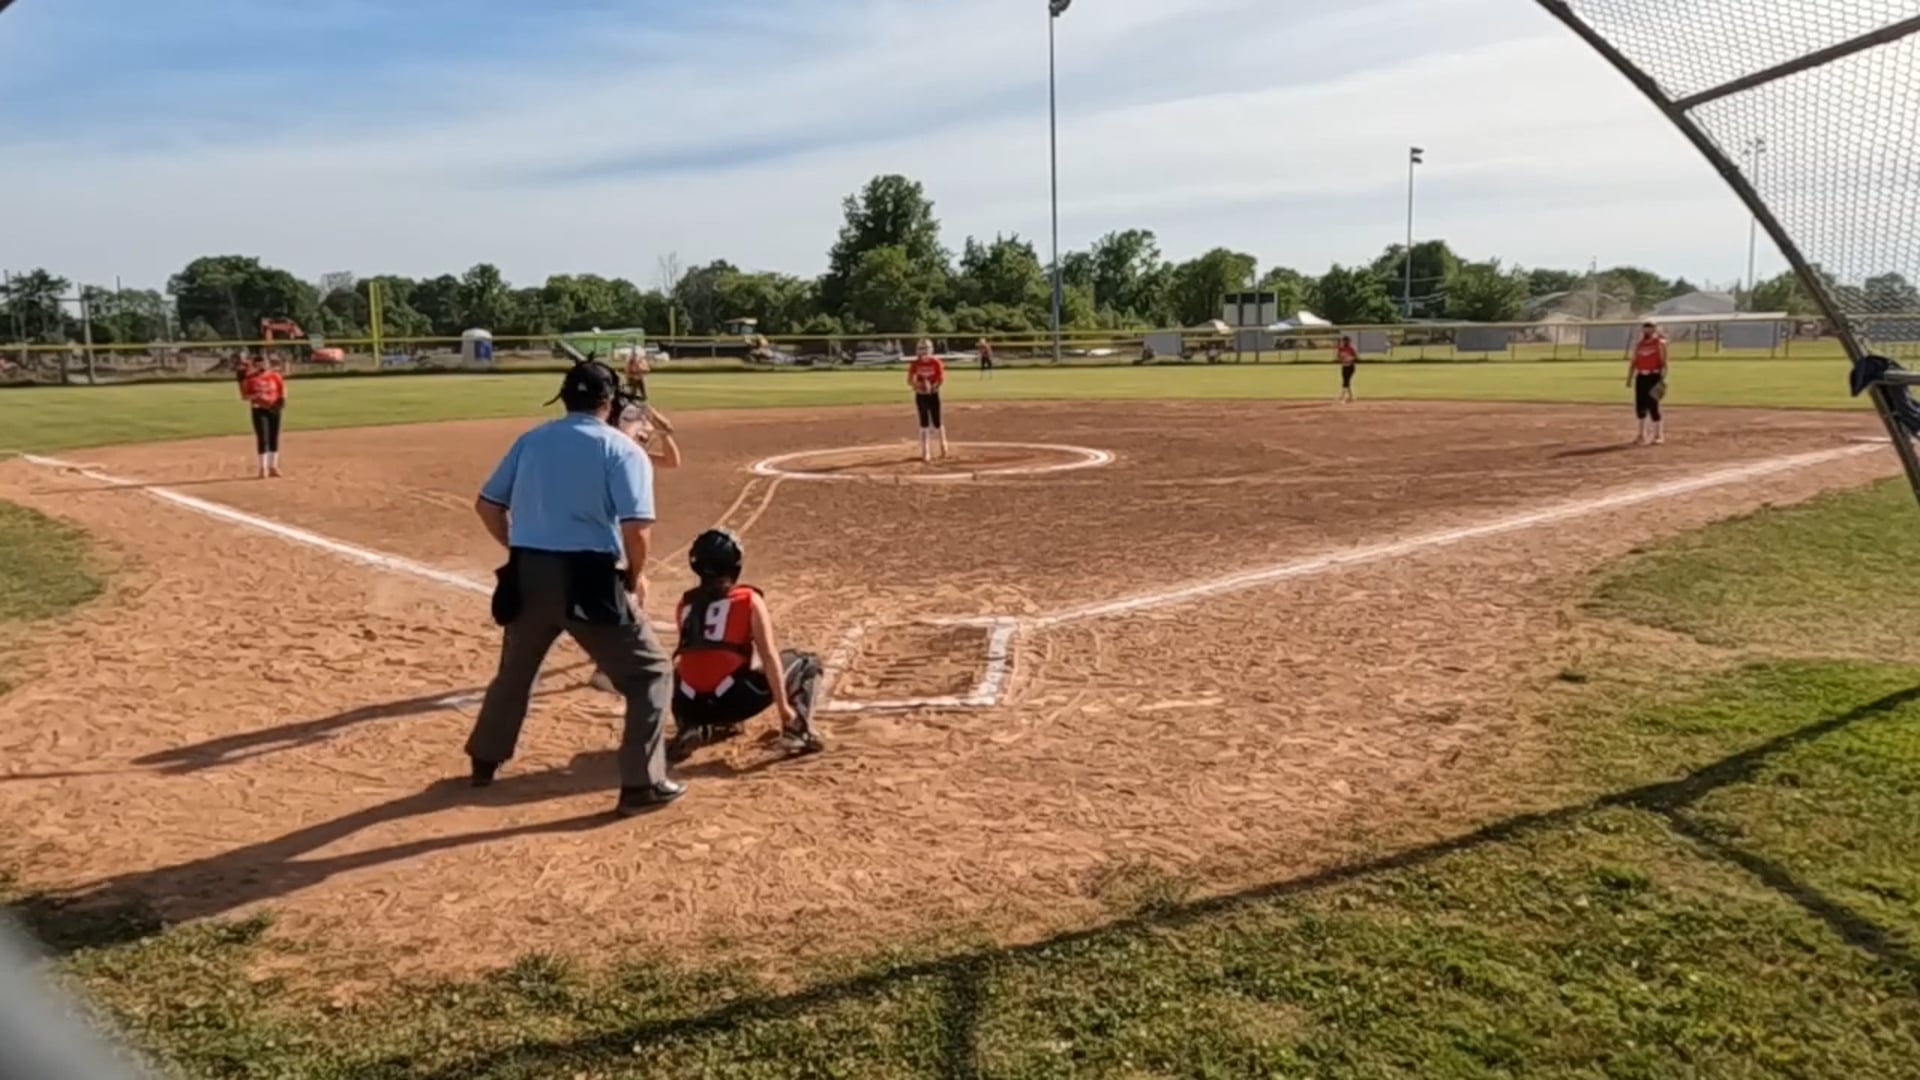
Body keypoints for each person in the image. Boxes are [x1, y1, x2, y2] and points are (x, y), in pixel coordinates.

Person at [467, 361, 682, 816]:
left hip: (527, 572)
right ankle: (641, 784)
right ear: (609, 402)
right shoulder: (622, 449)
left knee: (515, 672)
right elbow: (637, 529)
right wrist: (633, 575)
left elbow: (487, 505)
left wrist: (519, 548)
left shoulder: (531, 440)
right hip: (588, 577)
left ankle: (484, 760)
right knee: (650, 673)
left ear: (564, 397)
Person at [668, 527, 825, 761]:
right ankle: (797, 730)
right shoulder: (748, 599)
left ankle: (691, 726)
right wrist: (784, 709)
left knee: (686, 665)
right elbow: (769, 656)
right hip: (735, 700)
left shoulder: (685, 604)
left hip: (690, 705)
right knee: (806, 662)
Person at [238, 354, 287, 478]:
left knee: (273, 437)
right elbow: (244, 396)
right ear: (255, 365)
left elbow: (282, 389)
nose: (262, 365)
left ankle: (273, 467)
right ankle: (263, 468)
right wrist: (255, 396)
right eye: (259, 363)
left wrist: (282, 400)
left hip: (274, 409)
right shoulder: (250, 379)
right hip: (259, 410)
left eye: (264, 362)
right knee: (263, 438)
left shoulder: (275, 376)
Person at [1627, 321, 1669, 445]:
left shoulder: (1659, 343)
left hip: (1654, 376)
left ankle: (1658, 435)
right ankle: (1641, 435)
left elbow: (1664, 362)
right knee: (1640, 405)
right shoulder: (1639, 344)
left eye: (1650, 329)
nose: (1647, 331)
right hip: (1641, 376)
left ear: (1654, 330)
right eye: (1645, 329)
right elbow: (1634, 362)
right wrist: (1629, 378)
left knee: (1653, 405)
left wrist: (1662, 378)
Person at [908, 338, 948, 462]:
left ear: (931, 349)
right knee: (923, 422)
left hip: (933, 394)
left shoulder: (936, 362)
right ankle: (926, 451)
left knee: (937, 422)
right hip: (920, 395)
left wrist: (932, 387)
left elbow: (941, 379)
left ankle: (943, 445)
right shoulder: (915, 364)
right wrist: (917, 386)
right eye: (921, 348)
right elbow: (910, 380)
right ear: (917, 350)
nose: (924, 351)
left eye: (926, 348)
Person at [1335, 335, 1359, 403]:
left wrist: (1350, 359)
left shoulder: (1351, 348)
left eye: (1347, 341)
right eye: (1344, 341)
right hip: (1344, 366)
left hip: (1350, 367)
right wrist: (1342, 359)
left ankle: (1343, 396)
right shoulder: (1341, 348)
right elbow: (1338, 356)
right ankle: (1350, 396)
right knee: (1346, 381)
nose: (1346, 342)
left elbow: (1356, 356)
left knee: (1346, 381)